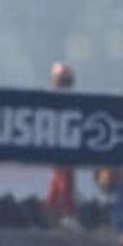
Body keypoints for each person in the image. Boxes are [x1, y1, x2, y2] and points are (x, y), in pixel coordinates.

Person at [45, 62, 78, 224]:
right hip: (59, 144)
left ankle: (53, 211)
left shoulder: (71, 99)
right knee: (63, 179)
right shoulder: (53, 99)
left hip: (67, 144)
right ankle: (65, 213)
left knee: (62, 178)